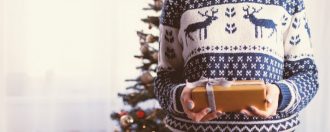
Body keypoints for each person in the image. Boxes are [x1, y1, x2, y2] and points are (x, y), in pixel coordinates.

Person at [154, 0, 319, 131]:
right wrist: (179, 97)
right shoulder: (177, 2)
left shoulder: (289, 1)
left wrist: (281, 94)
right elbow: (164, 78)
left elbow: (307, 75)